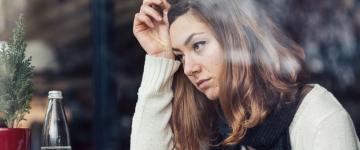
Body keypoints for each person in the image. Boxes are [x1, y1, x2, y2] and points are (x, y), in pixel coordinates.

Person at [130, 0, 360, 149]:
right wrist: (160, 57)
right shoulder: (213, 127)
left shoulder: (315, 116)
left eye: (198, 45)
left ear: (235, 40)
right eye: (180, 56)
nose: (189, 68)